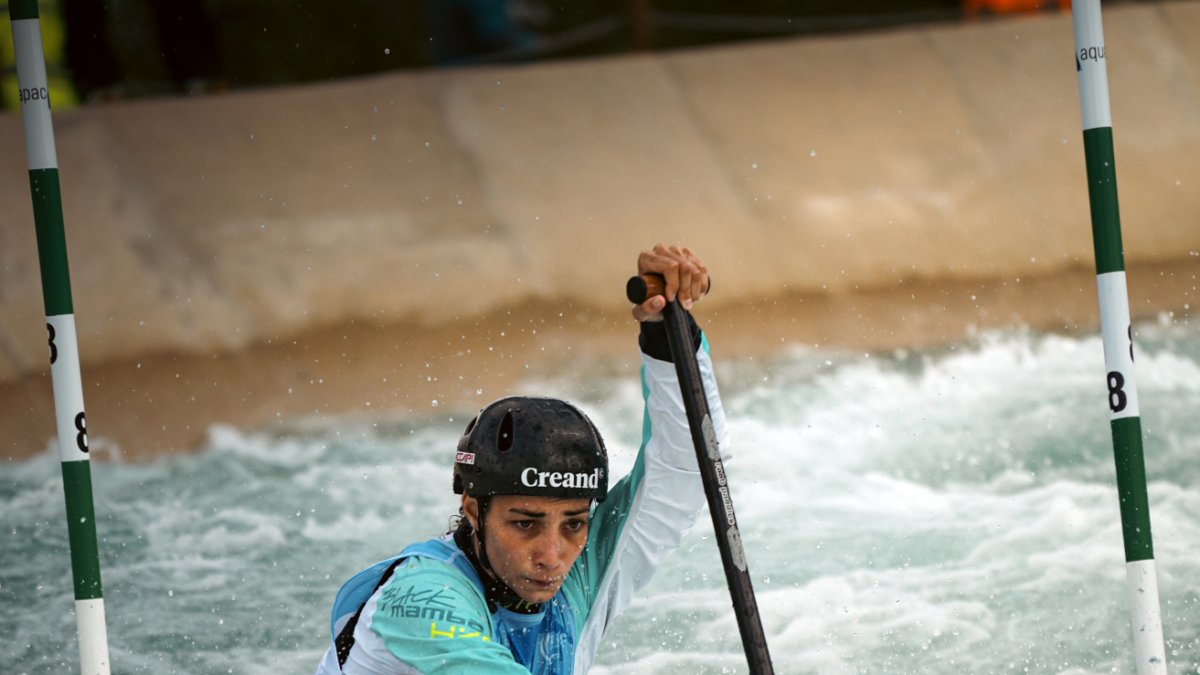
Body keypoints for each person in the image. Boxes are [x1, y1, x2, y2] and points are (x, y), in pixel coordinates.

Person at [315, 244, 728, 674]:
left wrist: (668, 336)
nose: (552, 556)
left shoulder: (576, 577)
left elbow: (690, 466)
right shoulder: (419, 600)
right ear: (473, 509)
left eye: (574, 523)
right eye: (525, 523)